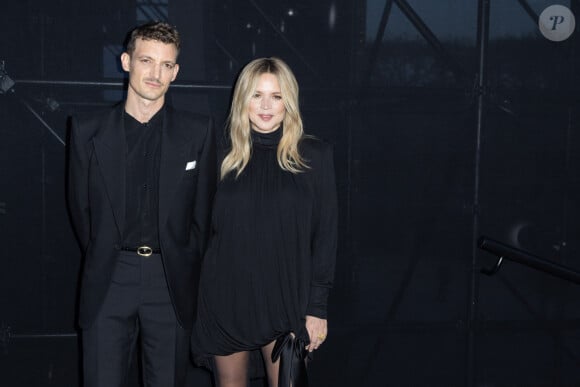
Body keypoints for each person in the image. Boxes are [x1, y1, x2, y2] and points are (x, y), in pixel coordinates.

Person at [67, 21, 216, 387]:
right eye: (147, 61)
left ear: (176, 72)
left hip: (169, 281)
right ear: (126, 61)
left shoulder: (199, 132)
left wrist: (180, 261)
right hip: (109, 277)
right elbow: (80, 212)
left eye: (166, 65)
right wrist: (106, 253)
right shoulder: (87, 131)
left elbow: (203, 216)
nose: (156, 73)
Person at [191, 57, 338, 387]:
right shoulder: (217, 155)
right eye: (257, 95)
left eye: (276, 95)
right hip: (225, 300)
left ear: (290, 101)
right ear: (242, 99)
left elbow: (325, 238)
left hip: (287, 301)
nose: (266, 105)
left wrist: (317, 308)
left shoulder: (314, 156)